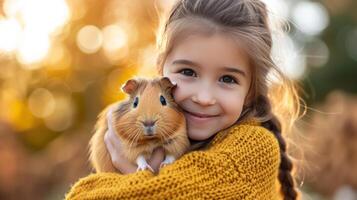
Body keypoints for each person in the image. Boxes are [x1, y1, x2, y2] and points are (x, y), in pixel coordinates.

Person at [65, 0, 303, 199]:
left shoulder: (254, 147)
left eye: (228, 79)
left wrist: (132, 172)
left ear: (251, 90)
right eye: (188, 73)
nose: (204, 97)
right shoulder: (142, 130)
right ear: (161, 71)